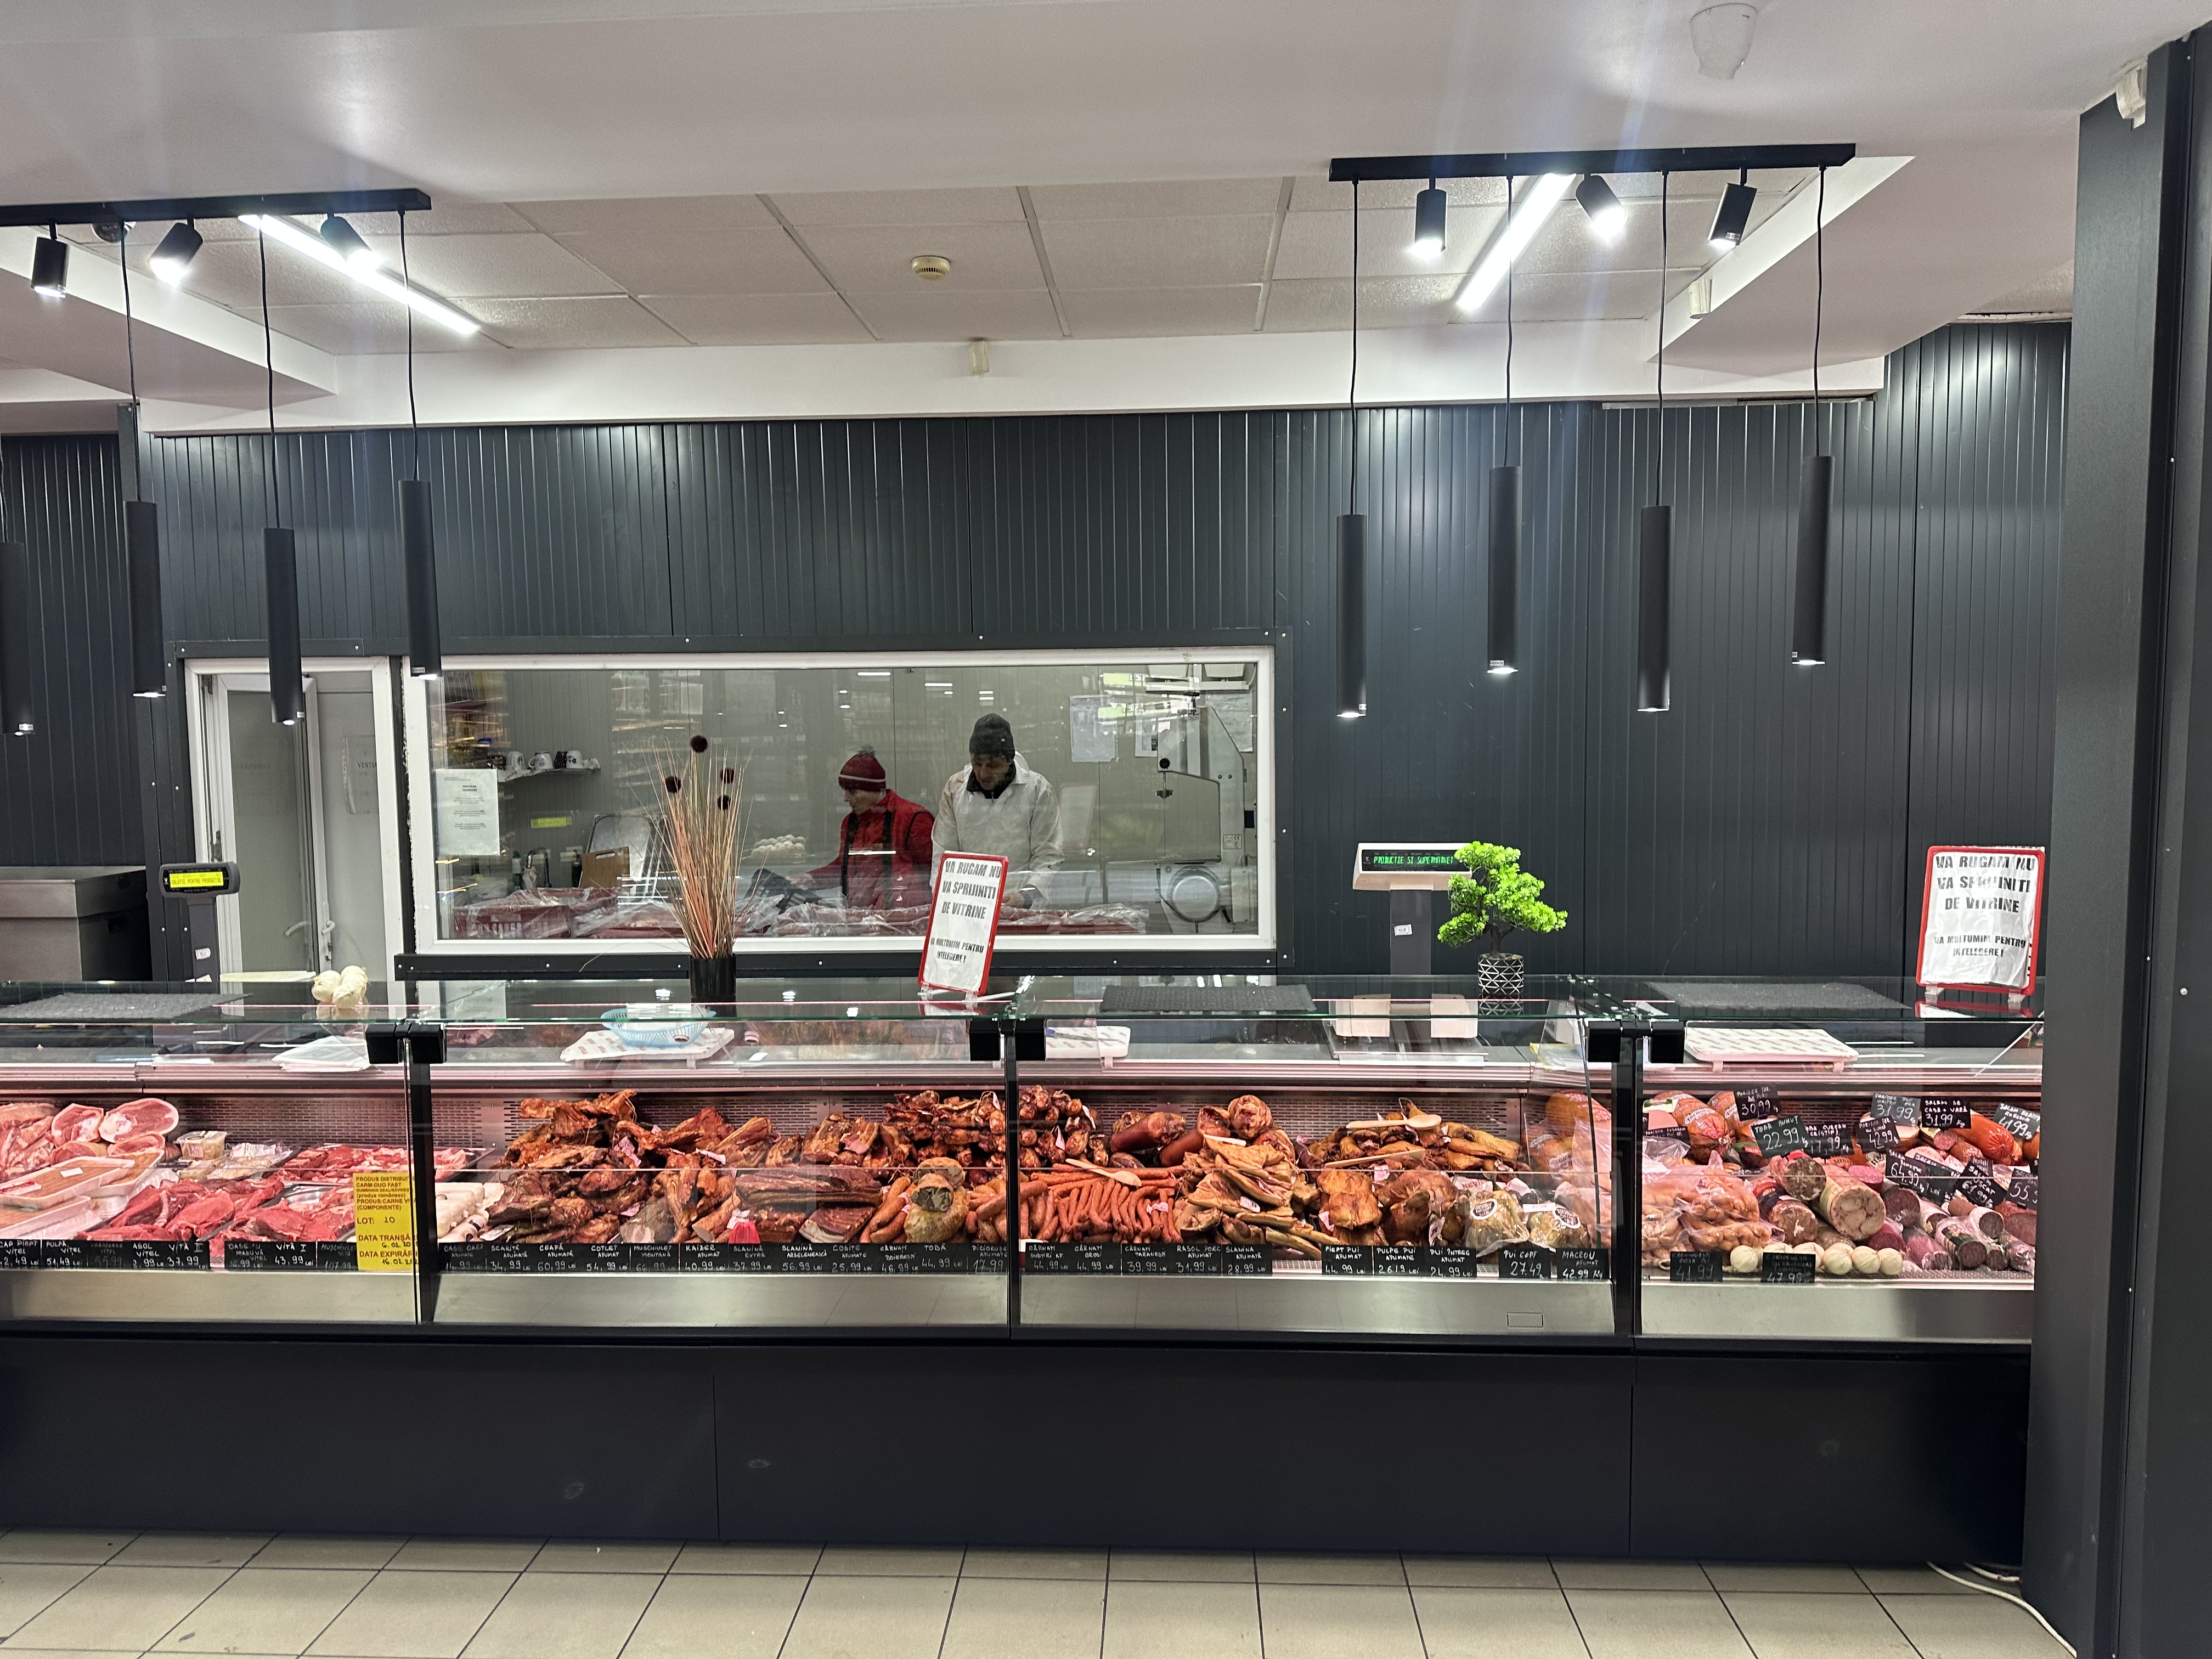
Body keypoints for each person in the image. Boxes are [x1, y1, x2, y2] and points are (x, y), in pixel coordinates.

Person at [933, 713, 1063, 907]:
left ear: (1010, 760)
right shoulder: (955, 789)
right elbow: (943, 855)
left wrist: (1026, 896)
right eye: (978, 763)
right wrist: (946, 902)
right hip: (967, 907)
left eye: (993, 765)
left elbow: (1048, 856)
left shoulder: (1037, 790)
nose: (984, 774)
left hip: (1020, 906)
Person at [803, 746, 935, 910]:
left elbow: (931, 872)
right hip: (860, 917)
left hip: (903, 918)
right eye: (845, 791)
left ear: (874, 790)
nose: (846, 798)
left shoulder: (914, 819)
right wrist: (809, 879)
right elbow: (844, 867)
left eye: (852, 792)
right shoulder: (850, 823)